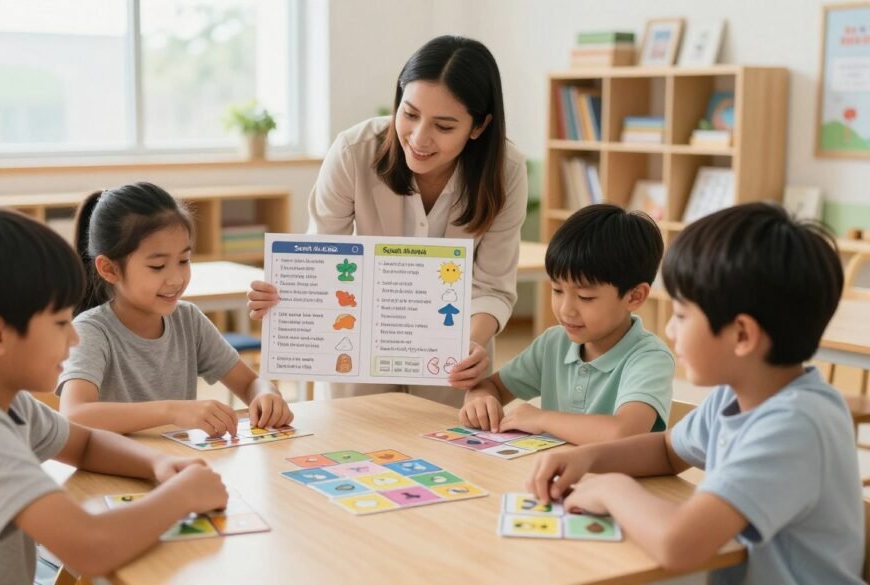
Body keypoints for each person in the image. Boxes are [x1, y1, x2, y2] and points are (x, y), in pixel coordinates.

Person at [0, 209, 229, 583]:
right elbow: (90, 547)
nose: (73, 339)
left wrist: (157, 464)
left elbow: (85, 443)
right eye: (59, 323)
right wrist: (181, 498)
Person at [525, 203, 864, 583]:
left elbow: (679, 544)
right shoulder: (737, 394)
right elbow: (668, 451)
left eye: (682, 315)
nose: (669, 330)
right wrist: (588, 458)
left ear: (742, 335)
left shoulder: (793, 426)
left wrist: (612, 489)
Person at [248, 35, 528, 405]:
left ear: (478, 126)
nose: (419, 138)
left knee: (445, 454)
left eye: (444, 127)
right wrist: (286, 296)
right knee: (351, 448)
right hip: (357, 349)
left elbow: (493, 286)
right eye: (410, 114)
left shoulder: (505, 170)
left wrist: (472, 343)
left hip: (450, 356)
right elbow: (321, 258)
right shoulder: (353, 151)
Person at [59, 182, 293, 435]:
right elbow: (74, 414)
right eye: (158, 266)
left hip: (177, 465)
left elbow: (250, 383)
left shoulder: (188, 319)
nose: (176, 279)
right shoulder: (92, 331)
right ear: (109, 269)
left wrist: (266, 394)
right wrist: (172, 411)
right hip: (114, 470)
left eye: (184, 260)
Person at [460, 204, 673, 444]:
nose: (565, 309)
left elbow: (624, 433)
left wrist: (542, 419)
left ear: (634, 296)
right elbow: (492, 386)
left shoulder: (650, 358)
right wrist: (479, 398)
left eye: (585, 297)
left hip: (619, 480)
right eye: (557, 290)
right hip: (557, 477)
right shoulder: (553, 343)